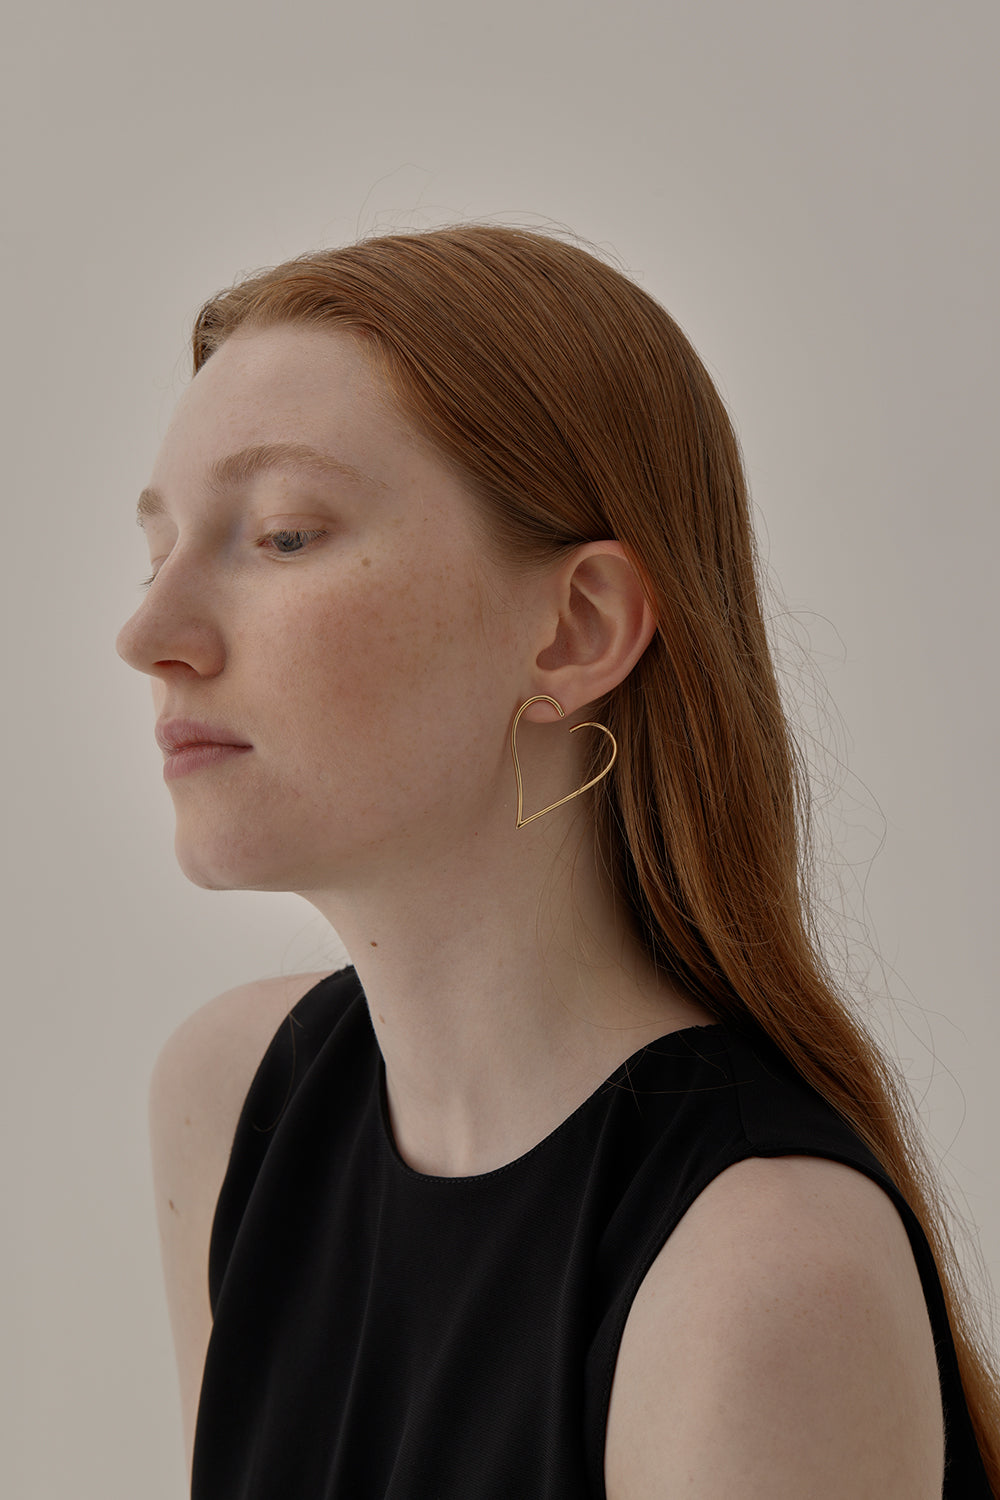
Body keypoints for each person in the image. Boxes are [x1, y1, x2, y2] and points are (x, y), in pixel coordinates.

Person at [115, 224, 998, 1498]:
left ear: (578, 627)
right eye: (158, 551)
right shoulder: (231, 1097)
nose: (148, 631)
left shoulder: (758, 1275)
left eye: (285, 535)